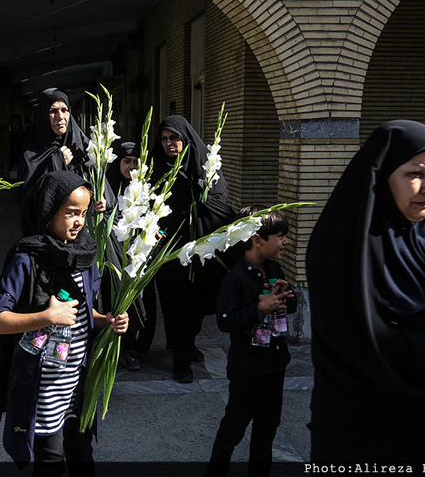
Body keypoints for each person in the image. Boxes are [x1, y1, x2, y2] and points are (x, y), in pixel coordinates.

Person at [307, 119, 425, 461]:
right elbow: (345, 330)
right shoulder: (344, 245)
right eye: (415, 174)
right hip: (368, 429)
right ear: (382, 174)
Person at [0, 170, 129, 475]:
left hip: (77, 383)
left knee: (82, 456)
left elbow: (87, 312)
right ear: (49, 211)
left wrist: (108, 321)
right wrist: (46, 317)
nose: (79, 222)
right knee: (51, 462)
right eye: (71, 213)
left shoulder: (84, 254)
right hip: (43, 385)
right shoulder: (27, 258)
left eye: (84, 213)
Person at [206, 207, 297, 477]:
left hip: (275, 363)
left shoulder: (274, 267)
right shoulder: (235, 278)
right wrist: (259, 310)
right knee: (234, 427)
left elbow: (288, 308)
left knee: (267, 428)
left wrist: (284, 297)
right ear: (257, 239)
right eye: (280, 236)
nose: (286, 242)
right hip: (248, 369)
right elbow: (225, 320)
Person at [149, 115, 237, 383]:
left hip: (200, 249)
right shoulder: (156, 168)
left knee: (199, 302)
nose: (169, 144)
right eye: (164, 139)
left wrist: (202, 203)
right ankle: (181, 357)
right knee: (177, 304)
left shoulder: (204, 166)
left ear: (186, 139)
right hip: (170, 252)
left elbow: (220, 199)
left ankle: (188, 343)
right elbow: (147, 204)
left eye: (174, 138)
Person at [105, 142, 154, 370]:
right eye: (126, 161)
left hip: (136, 254)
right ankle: (109, 347)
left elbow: (152, 218)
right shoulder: (108, 188)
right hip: (112, 255)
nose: (131, 167)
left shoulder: (145, 188)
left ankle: (128, 349)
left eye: (136, 162)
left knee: (135, 302)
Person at [17, 88, 90, 203]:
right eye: (53, 111)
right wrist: (57, 162)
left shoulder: (81, 145)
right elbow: (27, 197)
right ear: (43, 115)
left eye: (64, 110)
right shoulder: (31, 153)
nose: (60, 117)